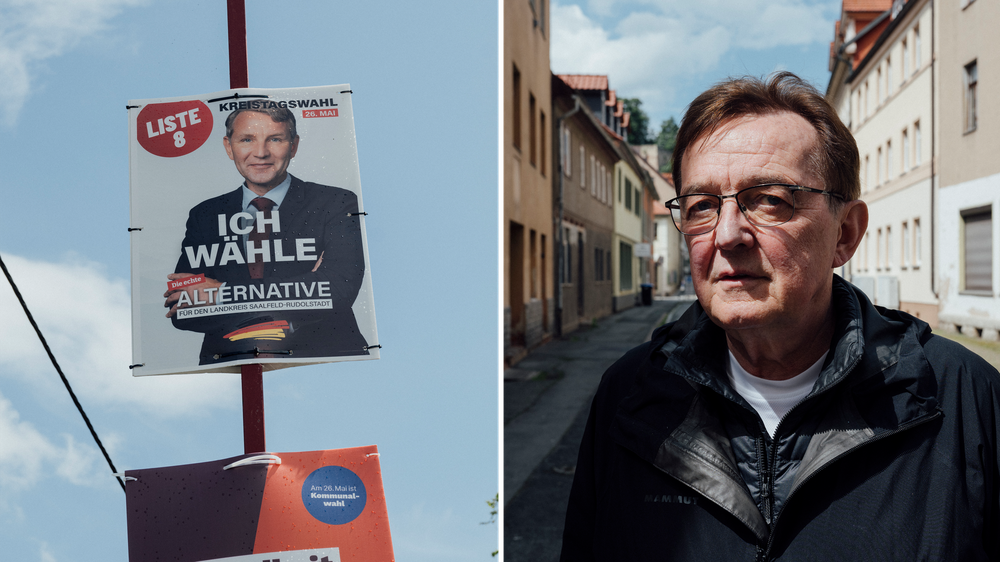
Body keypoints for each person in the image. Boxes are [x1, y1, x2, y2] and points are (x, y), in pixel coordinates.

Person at [560, 72, 1000, 560]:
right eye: (701, 206)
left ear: (845, 234)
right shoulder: (630, 397)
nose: (726, 235)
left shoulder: (962, 401)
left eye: (769, 199)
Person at [163, 105, 368, 365]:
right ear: (229, 147)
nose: (260, 153)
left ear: (293, 146)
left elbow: (337, 290)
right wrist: (306, 285)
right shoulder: (205, 214)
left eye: (275, 139)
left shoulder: (335, 202)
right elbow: (182, 308)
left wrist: (223, 293)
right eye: (247, 139)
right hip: (232, 363)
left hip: (324, 361)